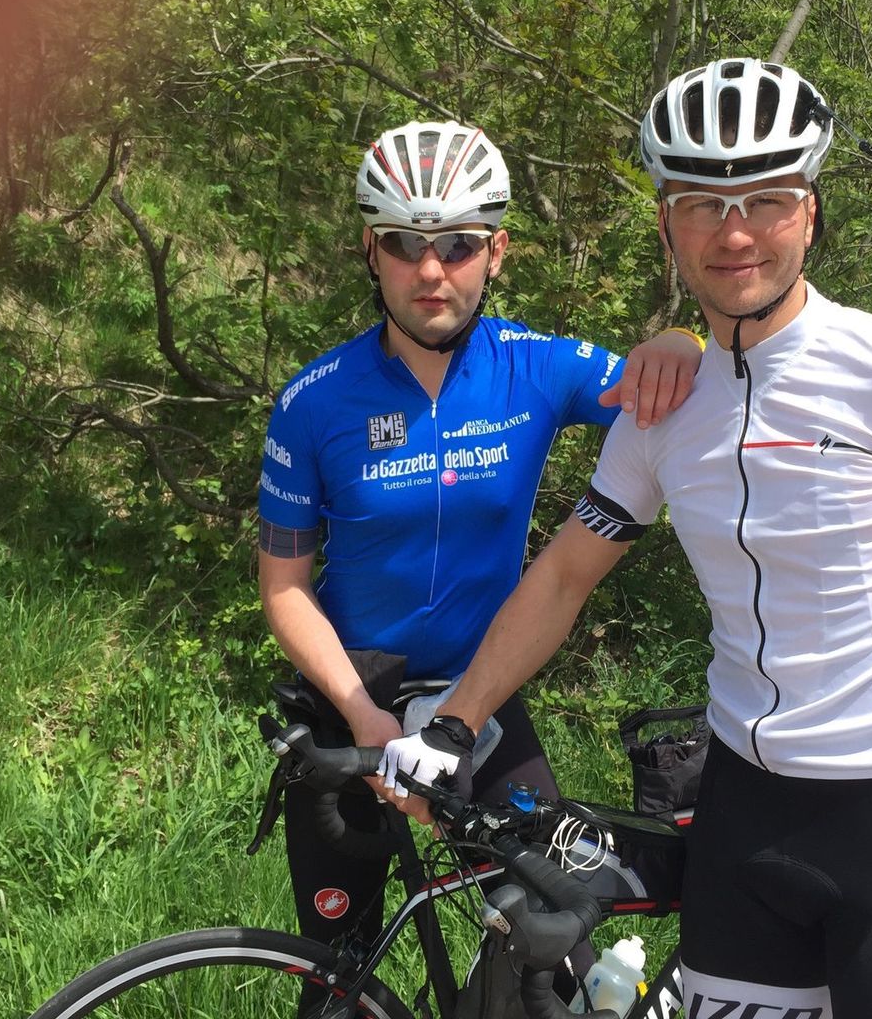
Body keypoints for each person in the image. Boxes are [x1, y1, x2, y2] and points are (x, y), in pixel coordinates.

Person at [378, 61, 872, 1019]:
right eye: (703, 205)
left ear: (811, 213)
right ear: (667, 226)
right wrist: (454, 725)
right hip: (743, 809)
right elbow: (566, 576)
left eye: (767, 201)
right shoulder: (664, 406)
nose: (735, 233)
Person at [256, 119, 704, 956]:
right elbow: (283, 586)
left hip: (480, 702)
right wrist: (361, 714)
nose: (431, 271)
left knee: (551, 947)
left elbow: (668, 388)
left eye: (458, 245)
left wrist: (680, 341)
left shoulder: (537, 367)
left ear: (497, 251)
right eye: (404, 244)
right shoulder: (313, 401)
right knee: (336, 974)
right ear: (371, 250)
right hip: (348, 702)